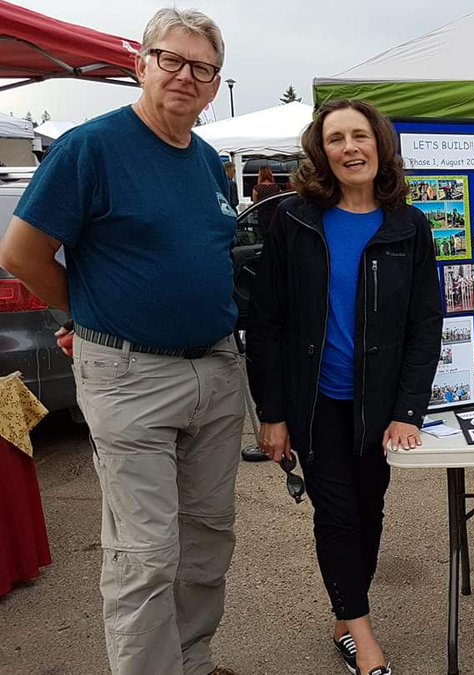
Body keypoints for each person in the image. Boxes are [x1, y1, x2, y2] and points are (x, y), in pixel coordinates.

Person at [0, 9, 243, 675]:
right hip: (131, 374)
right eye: (171, 59)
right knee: (145, 552)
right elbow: (22, 253)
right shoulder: (93, 147)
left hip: (216, 371)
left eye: (202, 68)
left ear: (215, 85)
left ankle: (191, 659)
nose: (185, 76)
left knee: (206, 539)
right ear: (142, 63)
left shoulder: (207, 162)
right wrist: (88, 316)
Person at [247, 99, 442, 675]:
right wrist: (272, 412)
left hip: (378, 405)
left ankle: (343, 615)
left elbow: (424, 323)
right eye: (336, 139)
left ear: (380, 146)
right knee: (335, 513)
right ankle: (361, 632)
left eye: (360, 136)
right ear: (320, 151)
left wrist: (408, 409)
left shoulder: (410, 226)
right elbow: (267, 322)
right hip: (316, 402)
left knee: (369, 509)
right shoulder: (295, 222)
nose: (349, 148)